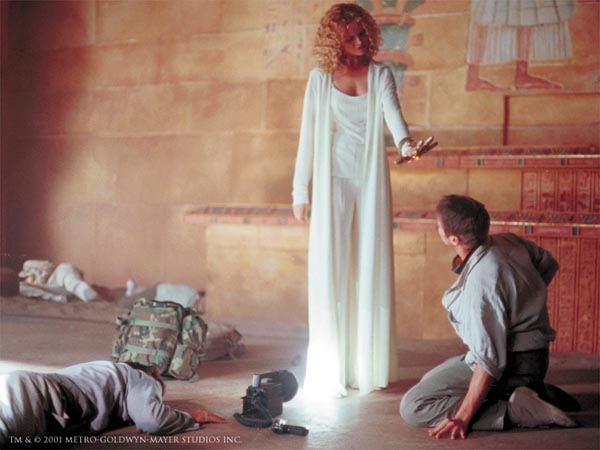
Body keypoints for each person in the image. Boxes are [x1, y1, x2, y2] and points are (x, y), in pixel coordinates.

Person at [292, 3, 436, 397]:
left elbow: (394, 118)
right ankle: (331, 368)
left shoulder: (380, 74)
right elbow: (307, 136)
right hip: (332, 180)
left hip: (370, 180)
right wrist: (300, 191)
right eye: (350, 37)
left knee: (370, 264)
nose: (359, 42)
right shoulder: (320, 78)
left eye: (362, 34)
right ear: (334, 41)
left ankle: (366, 366)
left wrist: (408, 147)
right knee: (331, 268)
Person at [400, 194, 579, 439]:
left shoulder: (482, 282)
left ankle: (516, 409)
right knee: (430, 380)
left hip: (515, 363)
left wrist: (463, 417)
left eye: (438, 225)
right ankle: (528, 390)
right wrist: (523, 302)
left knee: (414, 406)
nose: (437, 228)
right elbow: (547, 263)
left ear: (454, 239)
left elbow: (488, 359)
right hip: (536, 357)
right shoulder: (507, 241)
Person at [0, 360, 225, 446]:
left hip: (19, 385)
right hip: (33, 397)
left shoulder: (96, 370)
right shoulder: (140, 377)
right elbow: (153, 419)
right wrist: (190, 417)